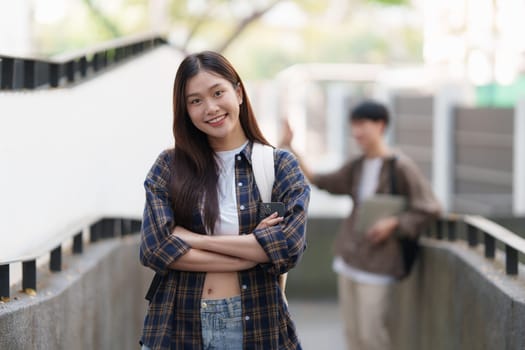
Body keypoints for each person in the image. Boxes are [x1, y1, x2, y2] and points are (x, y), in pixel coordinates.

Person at [139, 51, 310, 350]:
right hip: (179, 326)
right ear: (185, 110)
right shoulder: (169, 167)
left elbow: (286, 247)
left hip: (256, 324)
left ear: (239, 93)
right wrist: (250, 253)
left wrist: (193, 239)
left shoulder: (277, 166)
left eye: (218, 93)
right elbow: (155, 249)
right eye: (195, 101)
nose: (211, 108)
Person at [280, 100, 440, 350]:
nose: (357, 132)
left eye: (362, 124)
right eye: (354, 125)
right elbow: (321, 181)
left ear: (381, 125)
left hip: (380, 265)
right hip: (349, 259)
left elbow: (429, 207)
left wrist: (394, 223)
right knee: (353, 336)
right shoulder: (359, 164)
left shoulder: (401, 166)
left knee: (372, 336)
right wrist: (291, 146)